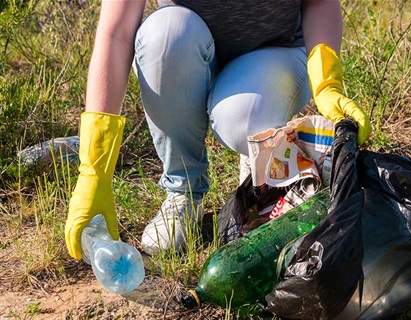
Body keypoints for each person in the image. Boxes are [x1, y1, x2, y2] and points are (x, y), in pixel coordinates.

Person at [65, 0, 372, 260]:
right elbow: (117, 32)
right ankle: (182, 192)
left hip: (274, 51)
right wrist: (94, 170)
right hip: (183, 48)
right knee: (165, 35)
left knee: (244, 119)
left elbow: (319, 2)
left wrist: (326, 80)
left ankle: (259, 169)